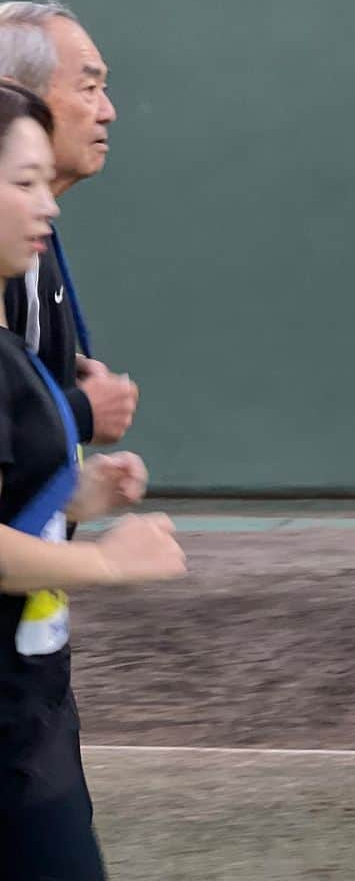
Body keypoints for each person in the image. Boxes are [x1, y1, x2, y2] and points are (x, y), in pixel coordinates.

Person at [0, 81, 187, 878]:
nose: (51, 206)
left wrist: (78, 498)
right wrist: (109, 561)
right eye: (24, 183)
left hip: (30, 714)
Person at [0, 0, 138, 448]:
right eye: (88, 88)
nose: (107, 111)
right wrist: (78, 413)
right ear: (19, 95)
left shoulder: (31, 241)